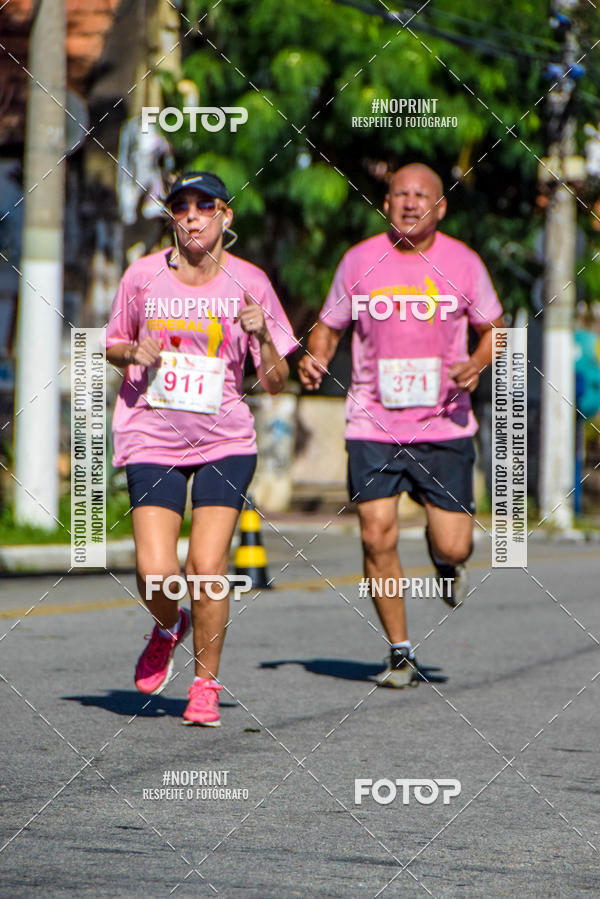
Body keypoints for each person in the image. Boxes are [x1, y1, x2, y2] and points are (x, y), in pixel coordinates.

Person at [298, 163, 504, 688]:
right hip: (373, 422)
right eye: (400, 194)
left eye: (422, 196)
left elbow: (496, 331)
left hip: (445, 426)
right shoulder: (359, 261)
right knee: (376, 534)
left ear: (440, 207)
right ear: (386, 202)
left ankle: (446, 562)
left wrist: (477, 364)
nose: (410, 203)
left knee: (455, 544)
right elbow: (328, 326)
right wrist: (316, 356)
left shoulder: (464, 262)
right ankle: (399, 650)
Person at [106, 171, 297, 725]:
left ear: (225, 217)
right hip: (152, 435)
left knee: (206, 565)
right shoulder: (142, 276)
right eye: (181, 206)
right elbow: (112, 342)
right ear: (171, 217)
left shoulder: (252, 282)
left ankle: (205, 684)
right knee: (156, 571)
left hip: (224, 440)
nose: (192, 215)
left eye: (204, 205)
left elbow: (279, 380)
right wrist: (131, 355)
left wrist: (262, 336)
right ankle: (168, 624)